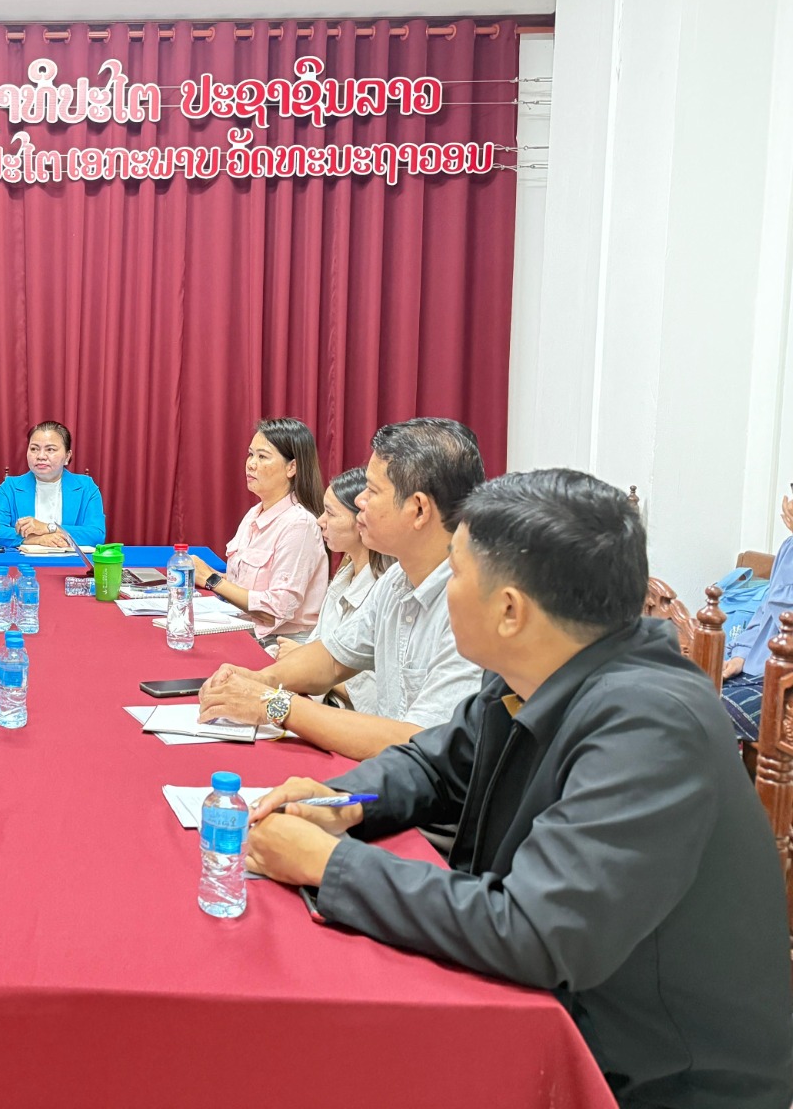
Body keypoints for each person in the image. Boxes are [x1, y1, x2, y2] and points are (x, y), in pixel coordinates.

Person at [243, 469, 793, 1109]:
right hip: (559, 1014)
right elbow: (434, 765)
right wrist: (341, 803)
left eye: (456, 571)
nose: (444, 589)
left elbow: (536, 928)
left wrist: (330, 865)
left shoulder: (651, 723)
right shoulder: (537, 669)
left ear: (510, 610)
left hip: (650, 1080)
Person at [199, 418, 485, 761]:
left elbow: (419, 742)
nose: (359, 501)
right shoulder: (397, 580)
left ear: (419, 509)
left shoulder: (473, 607)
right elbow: (332, 659)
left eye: (372, 491)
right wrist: (261, 679)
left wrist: (273, 704)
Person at [188, 417, 329, 641]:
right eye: (250, 454)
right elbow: (245, 585)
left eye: (262, 457)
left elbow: (276, 611)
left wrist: (212, 579)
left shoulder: (299, 524)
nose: (251, 464)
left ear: (292, 467)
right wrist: (205, 573)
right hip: (244, 628)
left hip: (280, 642)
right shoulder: (255, 513)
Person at [274, 466, 388, 713]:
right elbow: (318, 643)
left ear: (362, 519)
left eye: (331, 513)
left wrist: (307, 662)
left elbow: (376, 693)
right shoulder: (344, 577)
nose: (320, 521)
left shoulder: (384, 588)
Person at [719, 491, 793, 741]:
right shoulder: (789, 546)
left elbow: (787, 619)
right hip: (758, 671)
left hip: (784, 684)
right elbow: (766, 610)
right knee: (680, 691)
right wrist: (740, 655)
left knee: (701, 711)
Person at [0, 421, 106, 549]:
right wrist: (37, 539)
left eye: (50, 449)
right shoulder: (10, 487)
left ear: (67, 456)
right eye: (34, 449)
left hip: (71, 560)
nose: (41, 456)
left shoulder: (86, 487)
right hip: (23, 560)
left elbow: (96, 534)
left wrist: (47, 527)